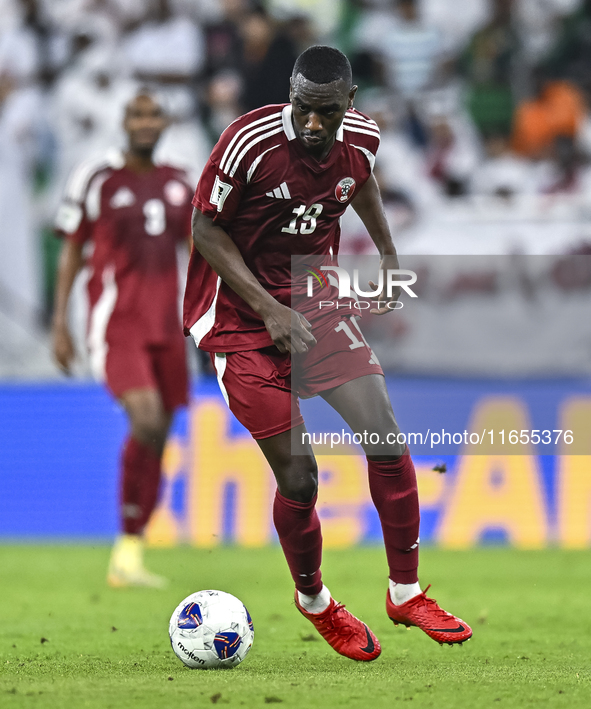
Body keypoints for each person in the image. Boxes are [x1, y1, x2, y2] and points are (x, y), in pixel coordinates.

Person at [184, 45, 472, 660]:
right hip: (239, 318)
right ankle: (315, 601)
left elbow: (359, 180)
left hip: (314, 298)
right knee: (300, 475)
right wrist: (269, 310)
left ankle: (405, 591)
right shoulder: (247, 141)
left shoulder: (362, 138)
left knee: (386, 435)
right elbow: (205, 230)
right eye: (302, 108)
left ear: (350, 103)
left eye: (326, 112)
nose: (312, 123)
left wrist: (388, 252)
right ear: (290, 96)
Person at [52, 92, 193, 588]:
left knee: (159, 433)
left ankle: (129, 552)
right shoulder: (97, 179)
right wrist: (60, 323)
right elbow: (72, 250)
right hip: (116, 324)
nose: (146, 122)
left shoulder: (180, 183)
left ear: (165, 121)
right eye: (137, 114)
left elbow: (200, 252)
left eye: (154, 114)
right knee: (148, 419)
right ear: (124, 121)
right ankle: (127, 549)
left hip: (168, 328)